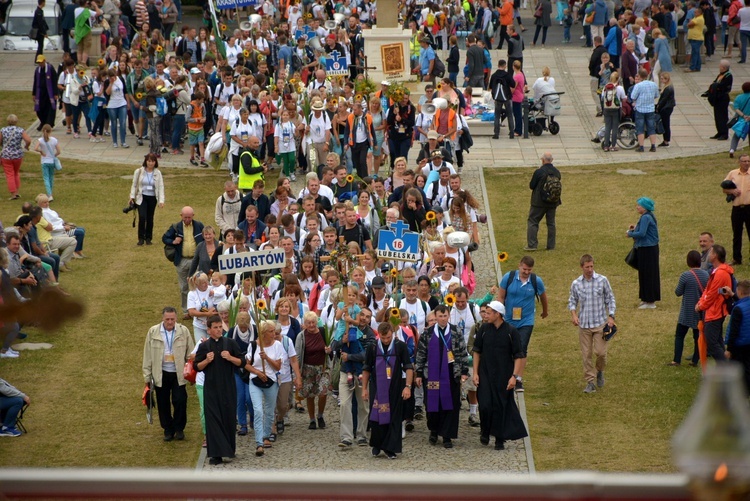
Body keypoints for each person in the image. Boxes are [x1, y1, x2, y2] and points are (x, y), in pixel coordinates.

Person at [472, 301, 528, 451]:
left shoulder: (511, 332)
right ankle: (485, 430)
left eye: (489, 313)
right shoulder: (484, 329)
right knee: (484, 405)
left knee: (500, 406)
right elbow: (477, 351)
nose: (485, 315)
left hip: (504, 375)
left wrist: (514, 377)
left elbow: (518, 356)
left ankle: (499, 438)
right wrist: (475, 372)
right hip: (485, 373)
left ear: (498, 314)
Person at [414, 305, 469, 449]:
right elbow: (420, 354)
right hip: (431, 374)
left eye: (445, 316)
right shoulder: (428, 334)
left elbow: (463, 352)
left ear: (448, 316)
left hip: (451, 374)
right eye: (440, 316)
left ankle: (447, 435)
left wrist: (464, 371)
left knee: (450, 405)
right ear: (435, 317)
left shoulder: (456, 332)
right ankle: (433, 430)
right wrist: (418, 373)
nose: (443, 319)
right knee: (432, 403)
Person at [193, 315, 245, 465]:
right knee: (213, 420)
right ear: (209, 330)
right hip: (211, 388)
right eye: (215, 328)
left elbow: (242, 361)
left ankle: (228, 449)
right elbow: (197, 367)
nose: (218, 330)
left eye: (220, 327)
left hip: (228, 387)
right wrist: (206, 360)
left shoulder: (230, 343)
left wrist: (230, 358)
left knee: (228, 417)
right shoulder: (204, 347)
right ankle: (216, 454)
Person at [361, 322, 414, 459]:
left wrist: (407, 387)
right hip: (377, 387)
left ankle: (390, 448)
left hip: (395, 387)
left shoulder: (400, 346)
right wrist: (364, 389)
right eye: (383, 338)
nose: (385, 341)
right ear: (379, 335)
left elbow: (408, 367)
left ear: (392, 333)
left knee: (393, 417)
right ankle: (377, 445)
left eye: (388, 337)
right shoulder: (372, 348)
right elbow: (366, 368)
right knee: (376, 416)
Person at [142, 306, 195, 442]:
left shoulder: (183, 331)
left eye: (172, 319)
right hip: (161, 373)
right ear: (162, 318)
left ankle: (179, 428)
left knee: (180, 400)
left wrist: (192, 372)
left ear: (176, 318)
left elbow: (191, 353)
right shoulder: (153, 332)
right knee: (163, 402)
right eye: (167, 319)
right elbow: (147, 355)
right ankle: (167, 429)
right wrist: (147, 376)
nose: (170, 322)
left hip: (179, 373)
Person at [568, 254, 616, 393]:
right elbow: (572, 301)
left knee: (600, 353)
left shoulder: (602, 280)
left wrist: (611, 316)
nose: (590, 269)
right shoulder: (576, 283)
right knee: (586, 355)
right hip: (584, 326)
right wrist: (574, 315)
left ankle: (600, 371)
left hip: (600, 324)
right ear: (581, 267)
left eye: (591, 266)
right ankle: (590, 382)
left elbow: (610, 298)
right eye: (587, 267)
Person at [332, 308, 376, 448]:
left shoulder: (370, 334)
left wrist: (349, 357)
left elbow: (368, 355)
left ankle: (362, 434)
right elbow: (333, 345)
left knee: (363, 405)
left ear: (370, 320)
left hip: (362, 373)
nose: (363, 318)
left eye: (367, 317)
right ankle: (346, 436)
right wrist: (342, 341)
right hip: (346, 372)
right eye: (362, 314)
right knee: (344, 404)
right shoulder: (345, 326)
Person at [497, 256, 549, 373]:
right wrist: (500, 313)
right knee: (507, 347)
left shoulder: (536, 281)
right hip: (508, 319)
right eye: (524, 269)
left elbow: (543, 297)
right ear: (519, 266)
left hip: (527, 319)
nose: (526, 272)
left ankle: (518, 377)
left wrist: (545, 311)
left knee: (522, 347)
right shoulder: (508, 277)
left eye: (529, 270)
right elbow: (500, 296)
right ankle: (507, 372)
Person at [245, 320, 283, 457]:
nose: (274, 334)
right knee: (258, 410)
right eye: (271, 331)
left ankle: (266, 435)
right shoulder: (254, 345)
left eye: (274, 331)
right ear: (263, 333)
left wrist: (266, 358)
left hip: (271, 381)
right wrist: (258, 373)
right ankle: (259, 442)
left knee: (269, 411)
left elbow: (278, 367)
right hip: (255, 381)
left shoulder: (277, 345)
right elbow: (247, 365)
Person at [162, 207, 205, 319]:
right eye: (185, 217)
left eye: (189, 217)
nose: (187, 219)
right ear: (181, 215)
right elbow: (164, 238)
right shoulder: (176, 227)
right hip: (181, 260)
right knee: (183, 287)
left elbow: (207, 238)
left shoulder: (199, 226)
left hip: (196, 260)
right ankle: (186, 311)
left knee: (197, 285)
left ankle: (198, 309)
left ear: (193, 216)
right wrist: (173, 241)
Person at [669, 250, 709, 366]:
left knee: (680, 335)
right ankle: (695, 360)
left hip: (686, 311)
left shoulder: (685, 275)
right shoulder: (706, 275)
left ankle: (676, 360)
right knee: (698, 337)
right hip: (700, 311)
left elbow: (678, 292)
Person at [696, 244, 734, 363]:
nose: (709, 254)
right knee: (717, 341)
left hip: (715, 312)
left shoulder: (720, 273)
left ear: (715, 256)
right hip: (714, 311)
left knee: (711, 342)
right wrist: (701, 302)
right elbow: (709, 290)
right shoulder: (716, 271)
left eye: (711, 252)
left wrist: (701, 306)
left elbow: (712, 294)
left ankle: (725, 367)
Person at [295, 311, 330, 430]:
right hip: (307, 368)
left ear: (316, 322)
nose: (311, 325)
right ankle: (312, 419)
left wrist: (328, 351)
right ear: (304, 324)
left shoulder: (323, 332)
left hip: (322, 368)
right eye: (308, 323)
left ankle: (320, 415)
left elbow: (329, 346)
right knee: (310, 395)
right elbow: (298, 355)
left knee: (322, 393)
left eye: (313, 322)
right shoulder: (301, 336)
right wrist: (298, 374)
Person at [626, 197, 661, 309]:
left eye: (639, 205)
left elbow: (642, 233)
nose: (637, 207)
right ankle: (646, 299)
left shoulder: (646, 217)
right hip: (648, 248)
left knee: (648, 274)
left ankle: (650, 301)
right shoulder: (648, 216)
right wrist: (634, 229)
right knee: (645, 274)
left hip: (648, 249)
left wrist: (630, 234)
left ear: (645, 207)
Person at [526, 152, 561, 251]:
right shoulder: (557, 172)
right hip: (553, 201)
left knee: (533, 221)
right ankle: (551, 246)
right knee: (551, 223)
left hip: (539, 202)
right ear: (552, 160)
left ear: (543, 160)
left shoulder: (539, 172)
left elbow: (532, 185)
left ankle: (532, 245)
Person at [130, 153, 165, 246]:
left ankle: (148, 238)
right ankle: (141, 238)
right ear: (146, 161)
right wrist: (132, 196)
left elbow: (161, 187)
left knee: (150, 218)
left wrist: (161, 201)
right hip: (142, 197)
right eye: (149, 161)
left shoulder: (158, 173)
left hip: (152, 198)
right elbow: (134, 184)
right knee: (142, 217)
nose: (151, 163)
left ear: (155, 162)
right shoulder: (139, 171)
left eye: (153, 161)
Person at [723, 154, 750, 265]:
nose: (747, 163)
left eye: (748, 161)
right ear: (739, 162)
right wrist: (732, 192)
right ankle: (736, 258)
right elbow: (724, 189)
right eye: (744, 161)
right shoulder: (733, 174)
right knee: (737, 233)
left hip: (749, 207)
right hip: (737, 208)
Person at [725, 279, 750, 395]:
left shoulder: (738, 309)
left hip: (739, 345)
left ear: (739, 292)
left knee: (736, 371)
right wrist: (733, 296)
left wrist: (729, 349)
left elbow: (734, 331)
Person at [1, 115, 31, 201]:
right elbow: (28, 140)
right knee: (16, 172)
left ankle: (13, 193)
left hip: (6, 155)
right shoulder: (20, 130)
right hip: (18, 155)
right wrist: (26, 146)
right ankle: (17, 192)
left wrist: (3, 146)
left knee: (9, 174)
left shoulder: (3, 130)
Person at [630, 69, 660, 152]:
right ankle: (653, 146)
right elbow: (657, 95)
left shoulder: (638, 85)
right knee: (651, 128)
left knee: (640, 129)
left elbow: (633, 96)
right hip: (650, 109)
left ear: (639, 76)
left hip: (640, 109)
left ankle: (641, 146)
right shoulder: (653, 84)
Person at [489, 59, 515, 140]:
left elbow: (490, 86)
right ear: (505, 66)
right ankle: (511, 133)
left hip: (497, 98)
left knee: (497, 115)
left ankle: (496, 133)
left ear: (498, 65)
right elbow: (513, 85)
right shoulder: (507, 75)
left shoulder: (494, 75)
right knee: (510, 115)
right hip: (507, 97)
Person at [707, 60, 733, 141]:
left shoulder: (728, 76)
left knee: (723, 117)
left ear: (724, 68)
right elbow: (715, 83)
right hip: (717, 98)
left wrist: (715, 86)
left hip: (723, 98)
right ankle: (719, 132)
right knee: (717, 117)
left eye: (720, 66)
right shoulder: (721, 75)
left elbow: (722, 86)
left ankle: (724, 133)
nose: (719, 68)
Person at [34, 125, 60, 200]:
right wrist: (54, 155)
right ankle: (50, 193)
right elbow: (59, 151)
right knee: (51, 177)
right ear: (50, 131)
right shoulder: (54, 140)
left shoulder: (40, 140)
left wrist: (41, 151)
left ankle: (49, 194)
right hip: (51, 161)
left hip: (44, 161)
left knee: (46, 178)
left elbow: (35, 148)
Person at [32, 55, 57, 130]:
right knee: (39, 109)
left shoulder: (50, 68)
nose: (40, 64)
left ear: (44, 61)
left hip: (49, 93)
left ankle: (48, 123)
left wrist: (56, 93)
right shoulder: (37, 70)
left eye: (41, 62)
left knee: (50, 108)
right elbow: (35, 82)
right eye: (39, 62)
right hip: (40, 92)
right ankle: (43, 122)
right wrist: (34, 93)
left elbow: (54, 80)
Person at [656, 73, 675, 148]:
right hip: (668, 107)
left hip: (666, 108)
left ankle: (666, 140)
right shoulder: (668, 87)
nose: (661, 80)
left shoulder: (668, 88)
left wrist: (658, 106)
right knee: (666, 124)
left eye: (662, 78)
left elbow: (664, 100)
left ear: (666, 79)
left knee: (665, 124)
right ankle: (666, 140)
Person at [686, 4, 705, 72]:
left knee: (694, 53)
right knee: (696, 53)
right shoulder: (696, 18)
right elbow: (689, 24)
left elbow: (689, 24)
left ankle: (692, 67)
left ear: (699, 13)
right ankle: (697, 67)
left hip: (697, 38)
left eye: (695, 12)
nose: (694, 13)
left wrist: (689, 24)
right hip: (693, 38)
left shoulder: (699, 18)